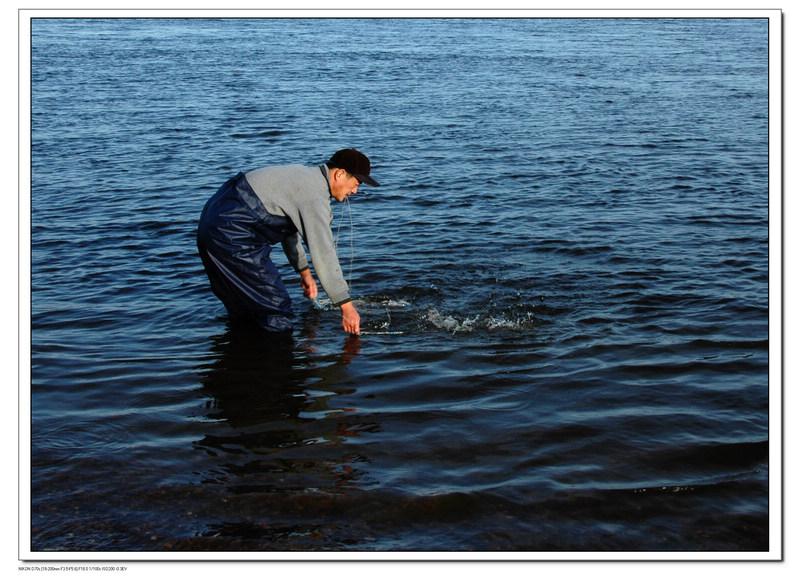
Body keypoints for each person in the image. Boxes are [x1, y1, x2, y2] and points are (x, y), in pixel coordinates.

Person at [197, 148, 380, 335]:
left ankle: (243, 359)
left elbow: (288, 229)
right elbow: (324, 253)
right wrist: (346, 307)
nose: (355, 191)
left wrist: (304, 272)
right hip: (231, 232)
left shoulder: (305, 177)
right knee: (274, 308)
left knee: (246, 310)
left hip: (213, 222)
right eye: (356, 184)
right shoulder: (314, 195)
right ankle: (281, 360)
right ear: (340, 174)